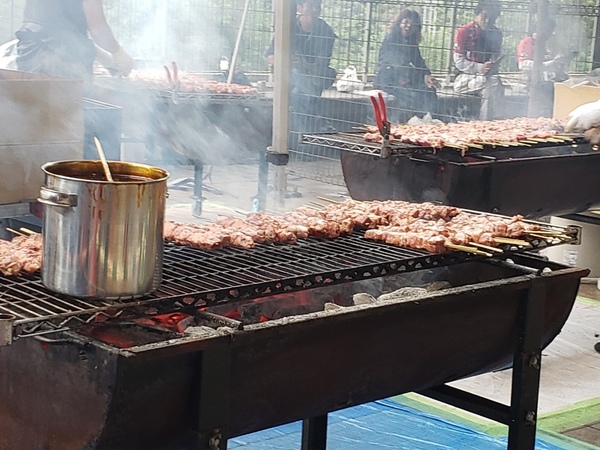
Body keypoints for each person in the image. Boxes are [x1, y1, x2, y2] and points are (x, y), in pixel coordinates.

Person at [15, 0, 134, 85]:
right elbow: (97, 28)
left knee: (33, 110)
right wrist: (118, 52)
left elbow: (53, 24)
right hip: (60, 60)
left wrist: (103, 57)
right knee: (67, 115)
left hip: (29, 49)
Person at [265, 0, 337, 117]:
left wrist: (304, 65)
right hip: (288, 77)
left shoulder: (325, 31)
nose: (314, 10)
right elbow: (269, 55)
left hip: (315, 78)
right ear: (299, 8)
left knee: (299, 90)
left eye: (317, 7)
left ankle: (309, 123)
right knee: (298, 93)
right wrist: (284, 62)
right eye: (311, 6)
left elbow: (322, 65)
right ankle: (315, 120)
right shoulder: (288, 27)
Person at [374, 9, 439, 123]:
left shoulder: (411, 41)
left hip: (405, 76)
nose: (408, 26)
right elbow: (396, 63)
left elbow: (418, 60)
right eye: (406, 22)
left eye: (412, 25)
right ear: (399, 23)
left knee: (429, 90)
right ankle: (412, 120)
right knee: (410, 94)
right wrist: (409, 77)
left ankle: (431, 118)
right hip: (389, 78)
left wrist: (427, 75)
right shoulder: (391, 39)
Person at [453, 1, 504, 120]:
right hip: (464, 77)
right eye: (484, 16)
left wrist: (492, 64)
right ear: (477, 14)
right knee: (490, 86)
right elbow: (459, 61)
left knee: (494, 83)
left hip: (487, 77)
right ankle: (487, 123)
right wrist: (480, 67)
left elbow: (495, 56)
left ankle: (492, 120)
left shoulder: (496, 33)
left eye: (491, 18)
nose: (487, 21)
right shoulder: (464, 31)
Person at [517, 18, 569, 84]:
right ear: (543, 30)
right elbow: (522, 65)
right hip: (530, 80)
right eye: (549, 31)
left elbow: (551, 61)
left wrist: (557, 61)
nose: (550, 35)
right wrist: (547, 64)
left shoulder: (543, 44)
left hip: (545, 78)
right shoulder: (527, 42)